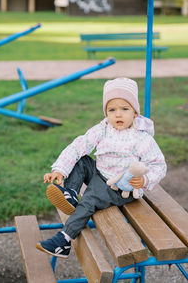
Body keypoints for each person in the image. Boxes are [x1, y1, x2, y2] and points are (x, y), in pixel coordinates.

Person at [36, 77, 167, 258]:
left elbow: (159, 165)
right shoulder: (103, 128)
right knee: (81, 159)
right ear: (106, 113)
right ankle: (70, 195)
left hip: (120, 188)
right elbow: (78, 146)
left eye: (124, 109)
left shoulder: (141, 138)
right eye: (111, 110)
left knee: (89, 199)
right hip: (101, 172)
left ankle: (63, 241)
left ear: (135, 112)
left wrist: (145, 179)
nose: (118, 115)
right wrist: (59, 169)